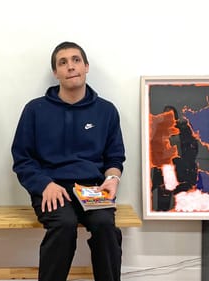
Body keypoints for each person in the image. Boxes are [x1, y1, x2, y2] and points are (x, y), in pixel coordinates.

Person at [11, 41, 126, 281]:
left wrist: (112, 179)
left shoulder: (106, 111)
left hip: (92, 189)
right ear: (56, 72)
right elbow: (22, 159)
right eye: (63, 63)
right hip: (52, 189)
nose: (70, 66)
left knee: (106, 226)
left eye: (75, 60)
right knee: (63, 225)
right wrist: (44, 185)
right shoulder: (35, 110)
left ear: (86, 66)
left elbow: (114, 157)